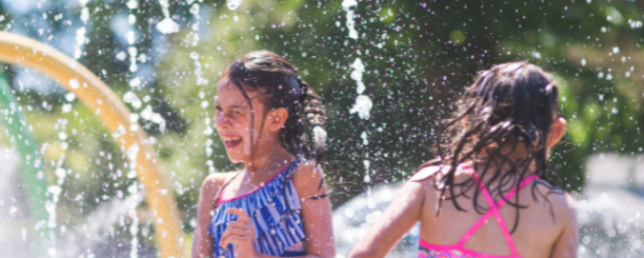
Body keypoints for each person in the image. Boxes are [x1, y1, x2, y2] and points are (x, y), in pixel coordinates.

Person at [348, 62, 578, 258]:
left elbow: (363, 255)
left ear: (468, 122)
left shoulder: (433, 184)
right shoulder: (558, 208)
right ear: (556, 132)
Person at [191, 51, 335, 258]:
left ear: (276, 119)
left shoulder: (301, 176)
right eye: (218, 108)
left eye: (235, 112)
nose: (221, 122)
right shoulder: (214, 188)